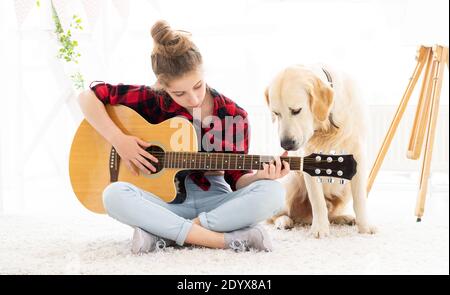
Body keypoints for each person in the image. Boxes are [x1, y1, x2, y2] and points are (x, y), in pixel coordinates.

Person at [78, 20, 289, 254]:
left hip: (215, 204)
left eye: (198, 86)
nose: (194, 99)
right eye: (179, 93)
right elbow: (88, 97)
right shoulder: (152, 99)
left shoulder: (233, 115)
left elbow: (237, 180)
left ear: (204, 71)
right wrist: (119, 140)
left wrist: (260, 176)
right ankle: (222, 240)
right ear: (162, 86)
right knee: (113, 196)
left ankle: (164, 234)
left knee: (274, 194)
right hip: (165, 204)